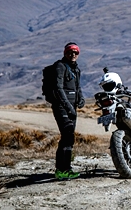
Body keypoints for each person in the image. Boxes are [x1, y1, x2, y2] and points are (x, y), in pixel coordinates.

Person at [50, 42, 85, 180]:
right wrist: (68, 106)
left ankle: (65, 169)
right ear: (65, 53)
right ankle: (62, 170)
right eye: (70, 52)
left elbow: (77, 87)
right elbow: (58, 88)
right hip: (61, 107)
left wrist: (81, 98)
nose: (73, 54)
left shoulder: (76, 69)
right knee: (67, 135)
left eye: (76, 52)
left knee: (69, 138)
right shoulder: (60, 66)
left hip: (72, 107)